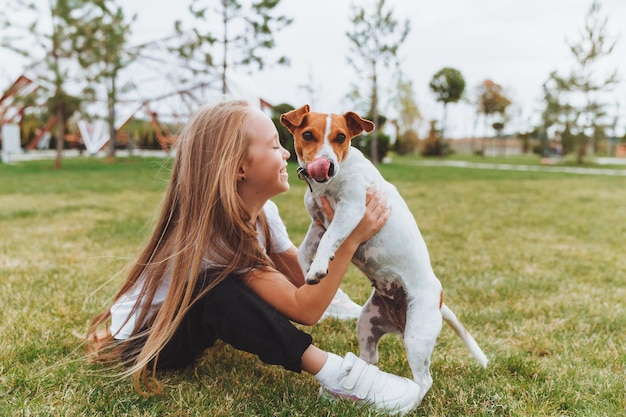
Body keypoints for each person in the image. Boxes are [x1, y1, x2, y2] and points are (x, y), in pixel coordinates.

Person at [85, 100, 420, 415]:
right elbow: (305, 308)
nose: (288, 152)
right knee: (221, 292)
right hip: (152, 342)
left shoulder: (264, 213)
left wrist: (330, 229)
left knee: (230, 289)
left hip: (186, 321)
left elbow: (303, 284)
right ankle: (338, 375)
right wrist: (349, 241)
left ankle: (339, 314)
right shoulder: (217, 239)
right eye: (276, 145)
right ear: (240, 168)